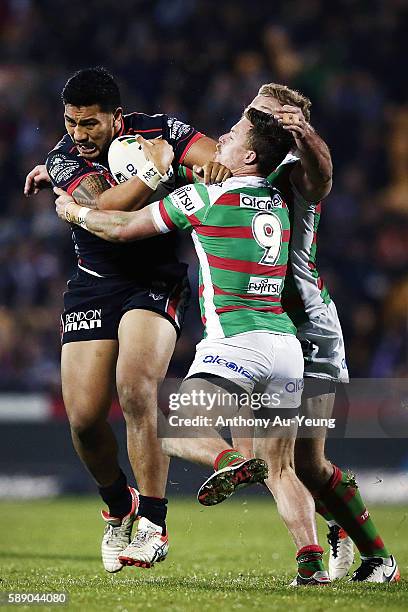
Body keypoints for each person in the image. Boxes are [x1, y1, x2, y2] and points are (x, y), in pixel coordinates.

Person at [55, 107, 331, 586]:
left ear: (248, 155)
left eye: (233, 135)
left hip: (236, 344)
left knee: (165, 423)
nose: (220, 139)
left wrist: (73, 211)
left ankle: (229, 460)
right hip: (285, 344)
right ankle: (312, 561)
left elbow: (121, 227)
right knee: (282, 466)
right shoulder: (281, 193)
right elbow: (319, 174)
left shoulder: (203, 196)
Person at [24, 67, 229, 572]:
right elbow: (105, 208)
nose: (78, 135)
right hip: (94, 281)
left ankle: (154, 524)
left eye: (89, 124)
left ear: (117, 117)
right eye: (71, 123)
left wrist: (203, 167)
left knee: (135, 388)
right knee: (85, 419)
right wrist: (157, 174)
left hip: (155, 280)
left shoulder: (162, 131)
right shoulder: (65, 156)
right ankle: (120, 507)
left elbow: (214, 161)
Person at [243, 83, 399, 583]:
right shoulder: (237, 165)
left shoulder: (294, 174)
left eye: (271, 119)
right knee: (287, 459)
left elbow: (324, 176)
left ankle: (375, 557)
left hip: (308, 330)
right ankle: (346, 541)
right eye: (254, 115)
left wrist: (305, 135)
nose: (258, 124)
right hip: (264, 330)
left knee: (301, 462)